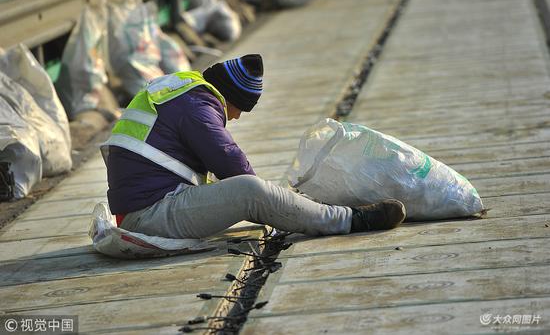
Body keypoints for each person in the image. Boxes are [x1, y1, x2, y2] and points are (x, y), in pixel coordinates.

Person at [101, 54, 406, 239]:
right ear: (231, 98)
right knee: (252, 191)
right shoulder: (198, 107)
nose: (233, 118)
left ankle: (314, 210)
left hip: (145, 208)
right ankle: (349, 220)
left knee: (257, 191)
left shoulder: (183, 88)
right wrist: (277, 199)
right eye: (239, 110)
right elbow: (230, 162)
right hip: (151, 217)